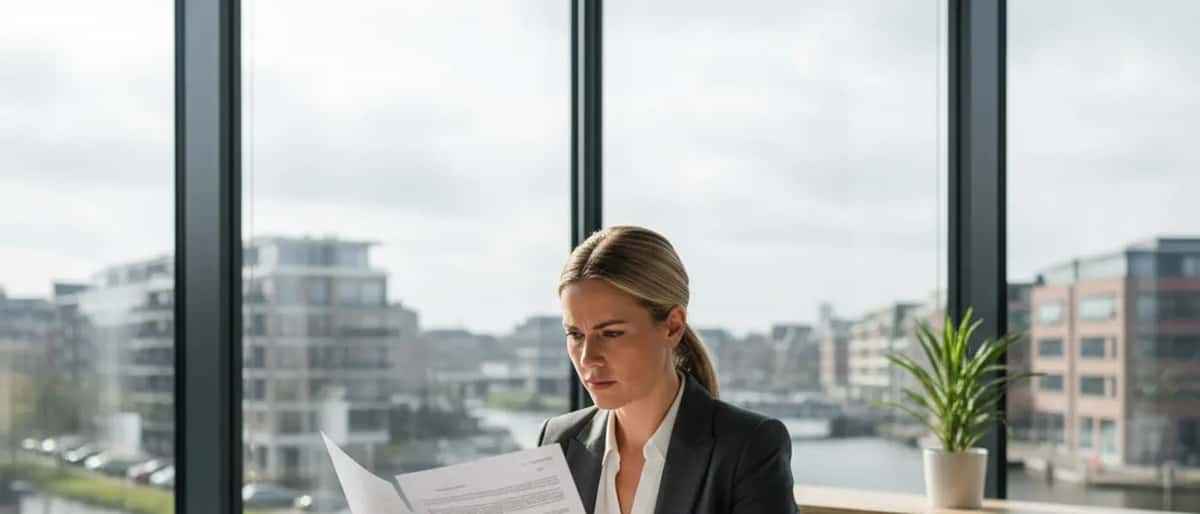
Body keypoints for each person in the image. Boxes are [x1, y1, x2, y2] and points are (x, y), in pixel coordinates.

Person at [538, 226, 797, 514]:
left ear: (673, 326)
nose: (588, 358)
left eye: (612, 333)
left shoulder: (748, 448)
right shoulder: (558, 442)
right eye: (575, 334)